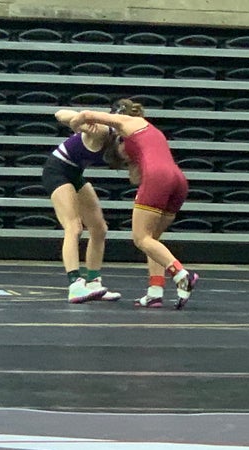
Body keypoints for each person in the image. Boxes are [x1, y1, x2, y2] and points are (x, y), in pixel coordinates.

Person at [68, 99, 199, 309]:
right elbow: (135, 176)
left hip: (157, 177)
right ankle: (155, 292)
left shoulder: (124, 122)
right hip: (178, 179)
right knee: (153, 239)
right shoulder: (148, 131)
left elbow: (85, 115)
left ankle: (181, 274)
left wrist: (76, 129)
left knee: (141, 238)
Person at [48, 106, 128, 303]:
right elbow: (59, 114)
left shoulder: (127, 138)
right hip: (57, 170)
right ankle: (75, 285)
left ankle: (93, 283)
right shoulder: (102, 129)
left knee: (99, 228)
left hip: (75, 174)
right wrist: (78, 123)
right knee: (73, 227)